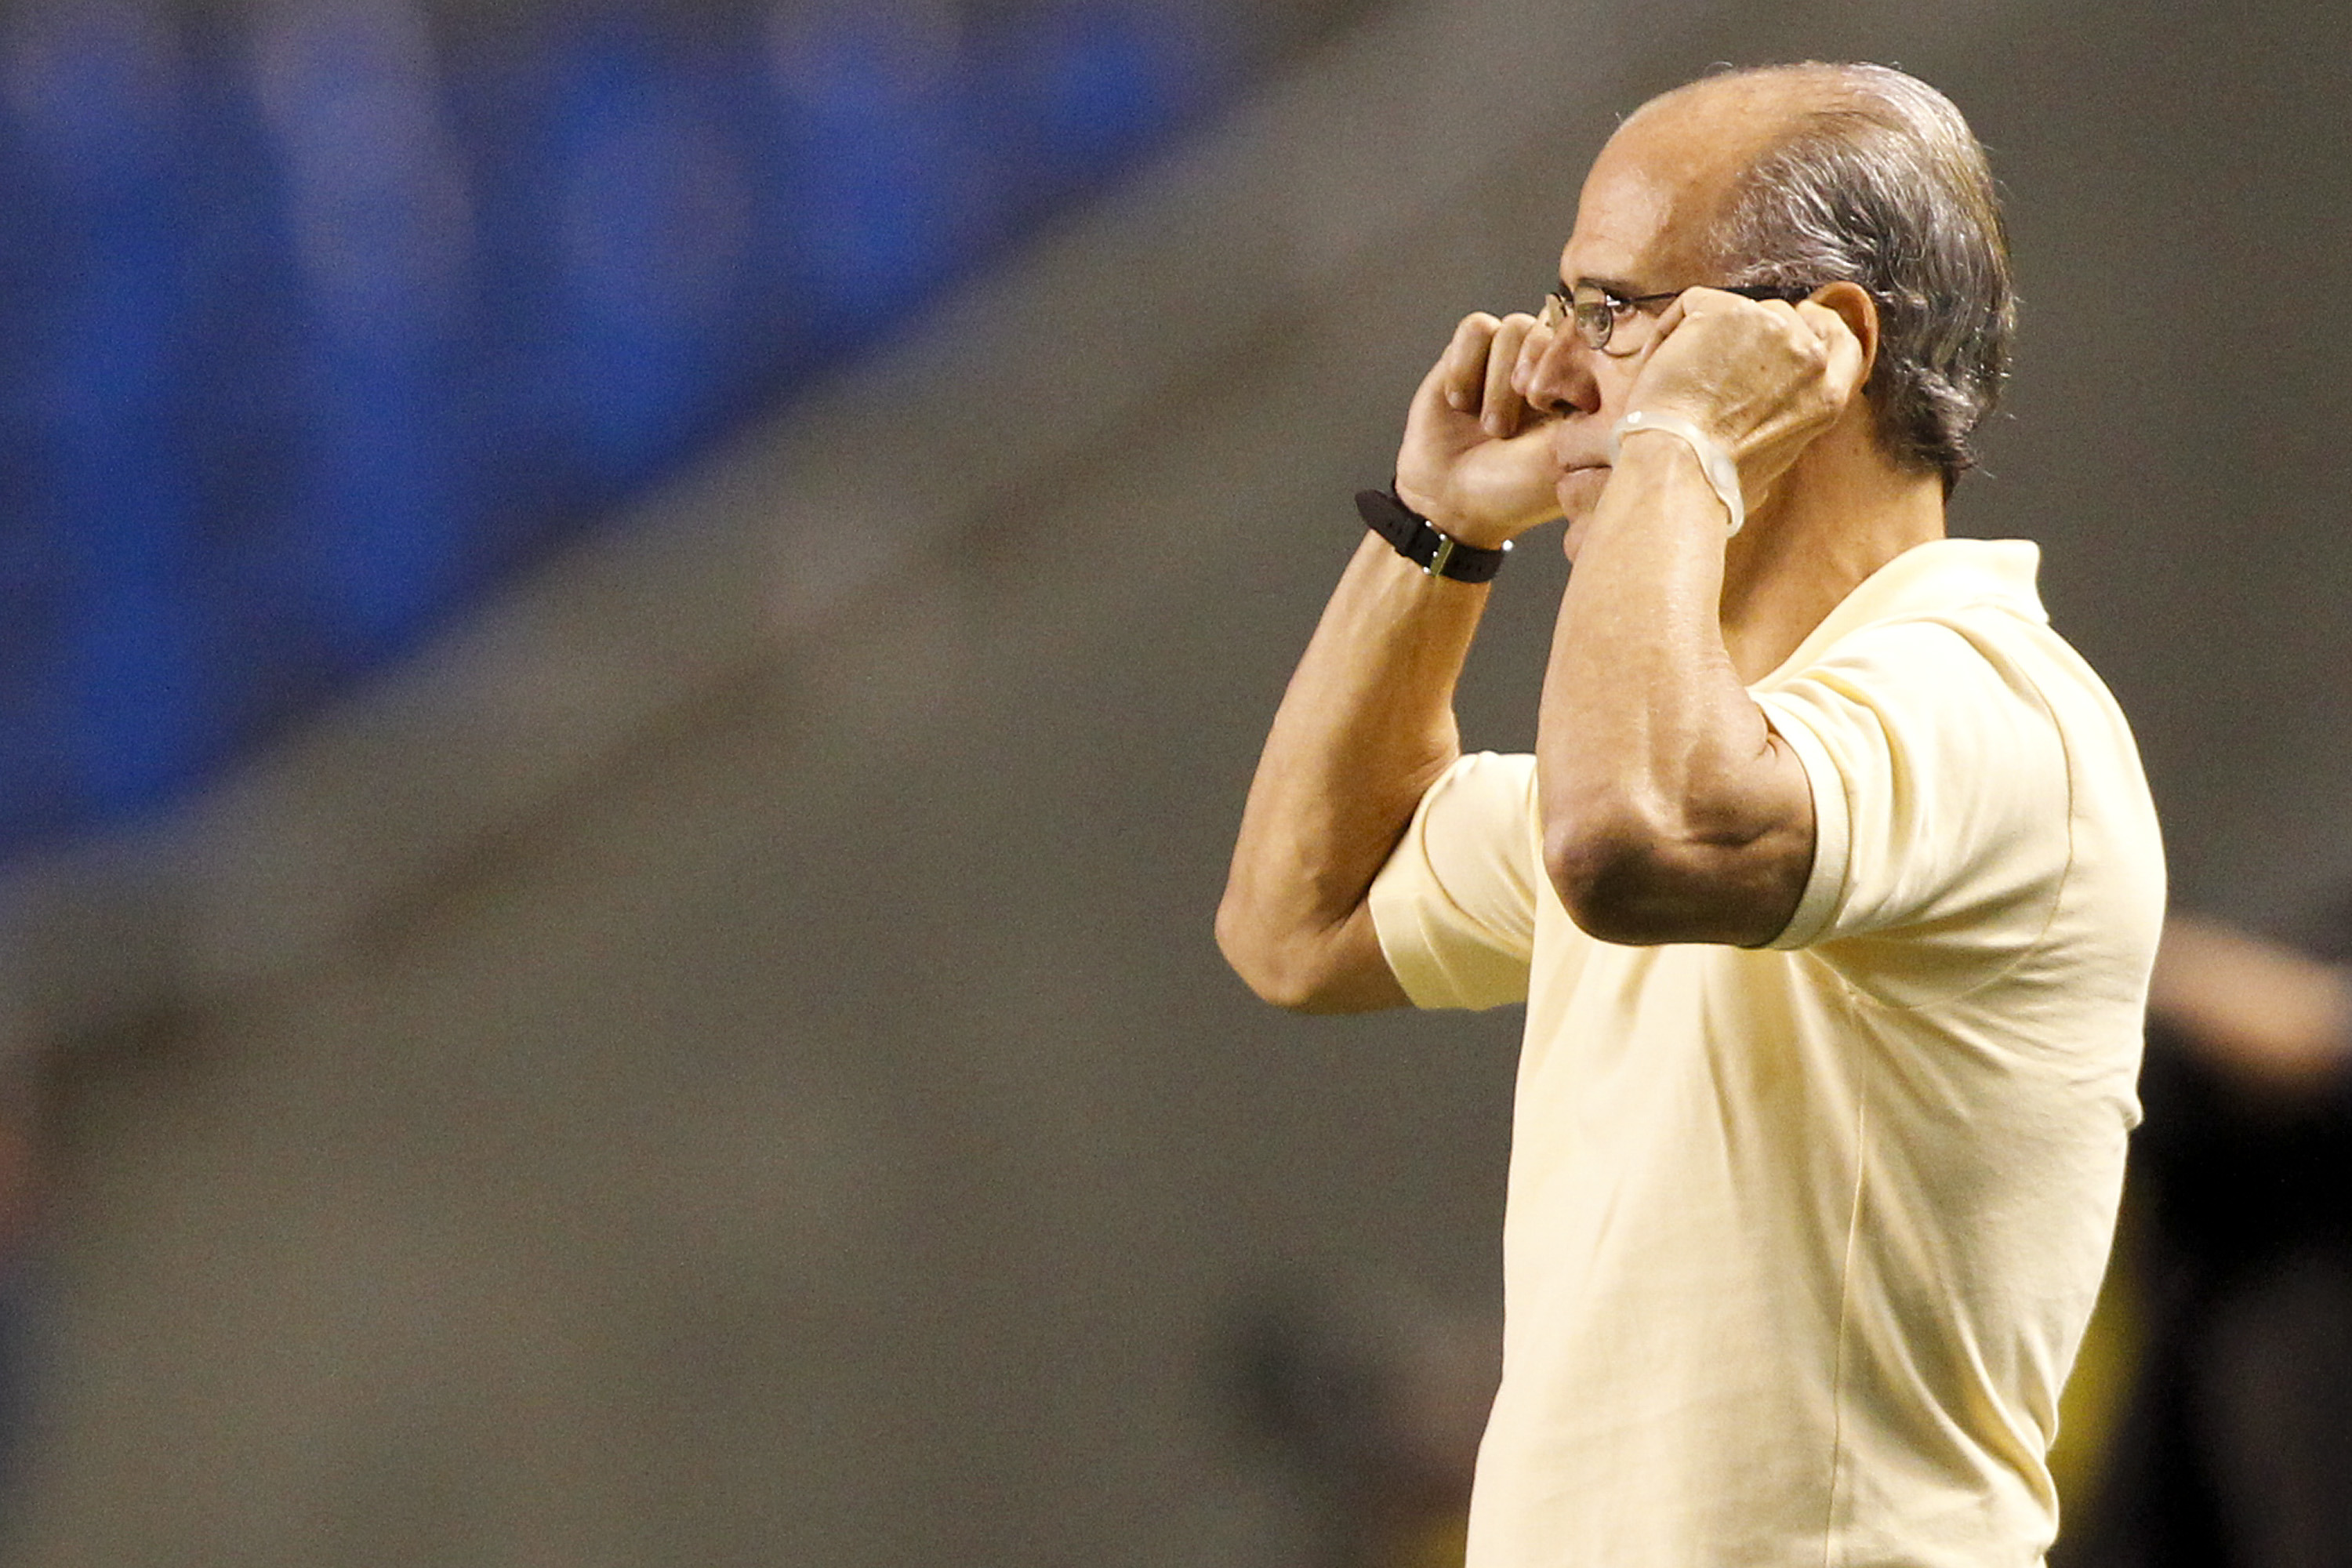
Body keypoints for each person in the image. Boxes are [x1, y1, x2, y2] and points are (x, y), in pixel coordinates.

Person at [1215, 61, 2166, 1566]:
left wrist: (1677, 450)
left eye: (1616, 312)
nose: (1549, 371)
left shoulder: (1991, 708)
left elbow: (1628, 835)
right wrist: (1438, 528)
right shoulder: (1708, 750)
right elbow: (1298, 921)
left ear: (1823, 344)